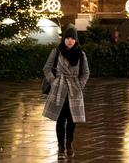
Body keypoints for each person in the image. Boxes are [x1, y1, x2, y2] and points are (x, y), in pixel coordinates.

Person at [43, 26, 90, 158]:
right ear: (63, 39)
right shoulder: (57, 51)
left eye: (72, 38)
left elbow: (86, 73)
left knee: (72, 120)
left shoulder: (81, 54)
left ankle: (69, 144)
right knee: (60, 119)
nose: (69, 41)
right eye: (67, 38)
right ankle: (61, 148)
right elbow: (46, 68)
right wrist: (54, 82)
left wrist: (80, 85)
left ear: (76, 40)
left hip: (74, 90)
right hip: (59, 88)